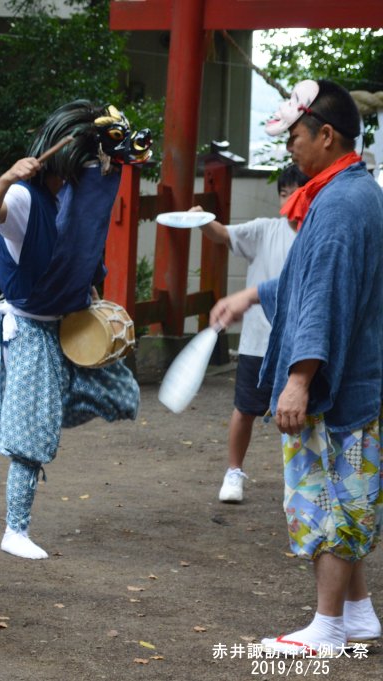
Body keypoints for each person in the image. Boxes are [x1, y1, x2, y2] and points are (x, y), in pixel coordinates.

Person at [210, 79, 383, 656]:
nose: (290, 151)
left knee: (331, 498)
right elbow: (308, 281)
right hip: (352, 375)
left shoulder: (340, 202)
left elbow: (326, 295)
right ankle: (356, 615)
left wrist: (300, 378)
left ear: (327, 135)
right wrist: (251, 295)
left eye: (296, 139)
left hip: (342, 386)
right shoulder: (345, 193)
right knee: (336, 495)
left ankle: (328, 628)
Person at [0, 101, 149, 560]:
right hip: (28, 326)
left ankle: (41, 408)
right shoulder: (25, 198)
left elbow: (82, 242)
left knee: (123, 396)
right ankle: (15, 529)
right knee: (30, 437)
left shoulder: (63, 197)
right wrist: (9, 176)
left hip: (67, 323)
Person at [191, 164, 309, 503]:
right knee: (245, 408)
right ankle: (234, 471)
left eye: (294, 192)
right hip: (258, 340)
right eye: (283, 193)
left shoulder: (318, 233)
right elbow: (222, 234)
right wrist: (201, 221)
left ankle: (300, 478)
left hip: (301, 345)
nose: (288, 199)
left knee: (302, 414)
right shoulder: (264, 230)